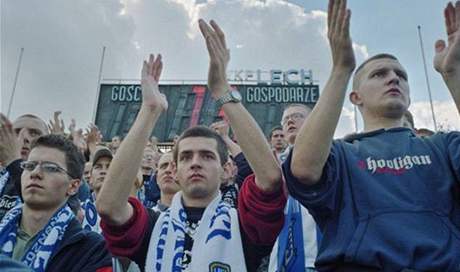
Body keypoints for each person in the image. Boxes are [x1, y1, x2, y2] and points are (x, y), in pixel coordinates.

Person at [97, 19, 286, 271]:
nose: (195, 161)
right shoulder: (152, 226)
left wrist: (221, 90)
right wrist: (149, 111)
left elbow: (271, 179)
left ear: (227, 170)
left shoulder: (244, 224)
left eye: (207, 156)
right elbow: (109, 206)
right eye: (185, 157)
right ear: (174, 171)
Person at [285, 0, 460, 270]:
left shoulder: (443, 146)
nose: (394, 78)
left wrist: (453, 74)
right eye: (379, 74)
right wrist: (341, 70)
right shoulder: (341, 154)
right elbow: (303, 169)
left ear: (410, 96)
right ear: (355, 97)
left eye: (401, 75)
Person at [0, 134, 112, 271]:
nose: (35, 173)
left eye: (50, 168)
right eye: (29, 166)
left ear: (73, 186)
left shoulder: (91, 249)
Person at [0, 114, 49, 219]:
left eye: (34, 133)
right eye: (16, 132)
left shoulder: (60, 178)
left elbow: (45, 212)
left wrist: (13, 161)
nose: (24, 138)